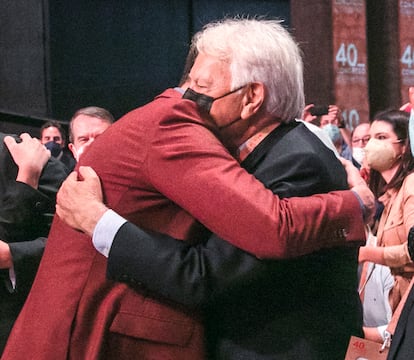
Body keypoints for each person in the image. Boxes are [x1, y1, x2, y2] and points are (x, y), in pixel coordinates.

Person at [3, 18, 371, 360]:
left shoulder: (295, 159)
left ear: (251, 97)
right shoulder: (216, 136)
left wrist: (356, 206)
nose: (185, 97)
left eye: (201, 87)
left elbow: (216, 266)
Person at [0, 133, 68, 352]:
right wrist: (26, 180)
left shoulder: (30, 156)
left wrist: (15, 254)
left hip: (19, 332)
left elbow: (69, 244)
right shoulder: (29, 162)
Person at [358, 109, 414, 345]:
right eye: (370, 138)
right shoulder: (390, 194)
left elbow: (413, 251)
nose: (371, 145)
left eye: (381, 138)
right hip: (393, 310)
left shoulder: (411, 184)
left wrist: (369, 254)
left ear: (403, 146)